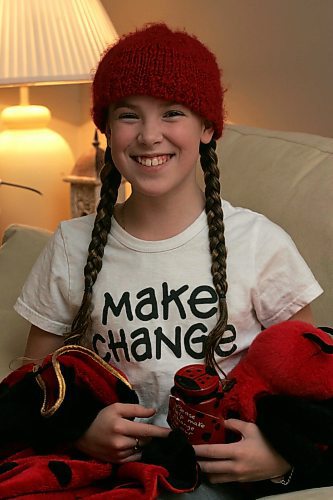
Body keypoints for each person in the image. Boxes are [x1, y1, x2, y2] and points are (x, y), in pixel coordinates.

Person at [15, 23, 322, 498]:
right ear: (107, 127)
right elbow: (33, 380)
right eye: (129, 115)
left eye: (172, 113)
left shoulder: (259, 242)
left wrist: (278, 454)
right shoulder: (70, 245)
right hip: (120, 471)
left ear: (206, 127)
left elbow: (311, 374)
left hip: (219, 473)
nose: (149, 135)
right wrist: (79, 431)